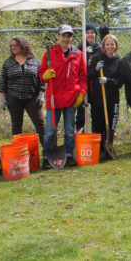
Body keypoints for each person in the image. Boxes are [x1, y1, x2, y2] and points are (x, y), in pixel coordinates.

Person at [39, 24, 87, 165]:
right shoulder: (49, 53)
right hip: (54, 99)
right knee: (50, 130)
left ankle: (68, 155)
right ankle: (47, 156)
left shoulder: (78, 55)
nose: (66, 39)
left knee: (69, 129)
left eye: (69, 36)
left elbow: (83, 76)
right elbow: (41, 74)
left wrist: (82, 93)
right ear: (57, 36)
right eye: (63, 35)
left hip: (71, 99)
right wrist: (45, 75)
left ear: (72, 37)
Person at [0, 35, 45, 142]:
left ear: (23, 45)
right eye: (11, 46)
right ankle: (17, 150)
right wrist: (2, 97)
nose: (13, 47)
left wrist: (41, 94)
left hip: (32, 97)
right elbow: (2, 81)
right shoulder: (8, 62)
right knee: (16, 124)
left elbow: (41, 79)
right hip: (13, 97)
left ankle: (47, 150)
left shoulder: (35, 61)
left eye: (16, 45)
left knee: (40, 122)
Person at [87, 34, 123, 160]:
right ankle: (99, 149)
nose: (110, 46)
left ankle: (108, 146)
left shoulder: (119, 61)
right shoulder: (97, 58)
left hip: (112, 98)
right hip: (98, 97)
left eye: (112, 44)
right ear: (103, 46)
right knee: (98, 123)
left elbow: (120, 81)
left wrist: (108, 81)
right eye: (107, 44)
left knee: (111, 123)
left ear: (116, 46)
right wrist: (96, 69)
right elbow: (88, 75)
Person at [75, 23, 100, 132]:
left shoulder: (99, 48)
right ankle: (80, 135)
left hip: (96, 86)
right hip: (83, 85)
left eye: (92, 33)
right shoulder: (79, 48)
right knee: (81, 114)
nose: (90, 35)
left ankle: (96, 136)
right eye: (88, 33)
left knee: (96, 113)